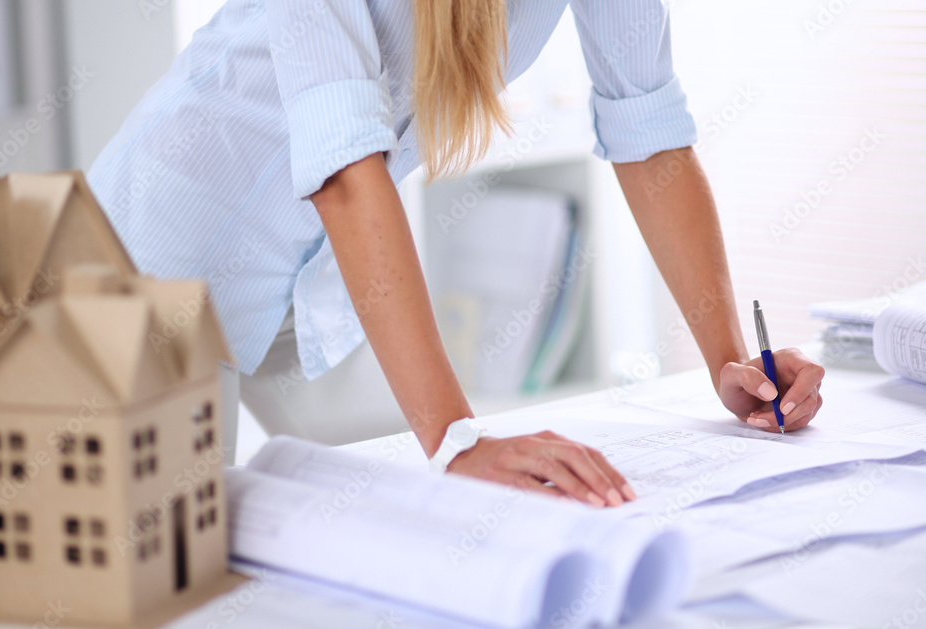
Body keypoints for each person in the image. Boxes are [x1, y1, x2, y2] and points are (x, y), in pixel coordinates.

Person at [88, 0, 825, 508]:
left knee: (415, 531)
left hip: (314, 281)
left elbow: (649, 127)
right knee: (162, 576)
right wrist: (457, 439)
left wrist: (732, 363)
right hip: (152, 262)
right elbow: (345, 169)